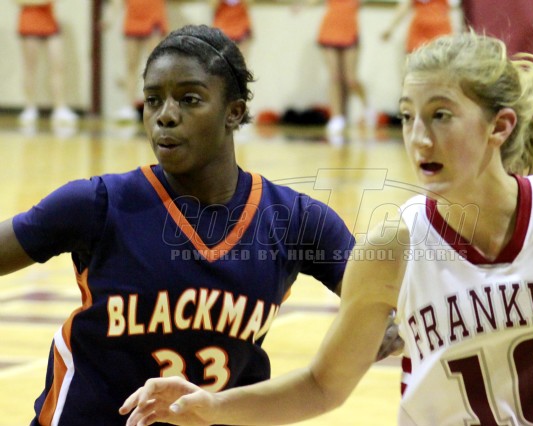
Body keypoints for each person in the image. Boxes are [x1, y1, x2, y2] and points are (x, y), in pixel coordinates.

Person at [121, 29, 533, 426]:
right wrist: (212, 406)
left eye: (441, 116)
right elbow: (323, 385)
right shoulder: (391, 251)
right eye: (408, 117)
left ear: (499, 126)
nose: (419, 138)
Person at [0, 24, 403, 425]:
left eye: (189, 99)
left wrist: (378, 327)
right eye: (153, 100)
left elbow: (388, 302)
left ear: (234, 112)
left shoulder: (295, 221)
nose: (165, 116)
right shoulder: (97, 204)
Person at [298, 0, 375, 137]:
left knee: (351, 79)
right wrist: (302, 5)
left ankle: (366, 107)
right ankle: (337, 117)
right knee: (334, 77)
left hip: (349, 28)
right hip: (330, 28)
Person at [15, 0, 79, 126]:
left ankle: (60, 107)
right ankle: (29, 107)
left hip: (49, 23)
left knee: (58, 66)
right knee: (30, 68)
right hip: (29, 23)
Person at [103, 0, 169, 122]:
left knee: (155, 66)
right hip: (132, 19)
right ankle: (129, 105)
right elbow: (117, 3)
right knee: (131, 65)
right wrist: (110, 17)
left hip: (154, 18)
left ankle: (157, 104)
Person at [380, 0, 464, 53]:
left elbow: (455, 10)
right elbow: (403, 8)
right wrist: (390, 28)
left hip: (441, 32)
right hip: (419, 32)